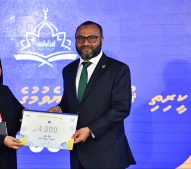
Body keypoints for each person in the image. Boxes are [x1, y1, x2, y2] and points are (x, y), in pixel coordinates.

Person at [48, 21, 136, 169]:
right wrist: (60, 109)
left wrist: (90, 130)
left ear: (102, 39)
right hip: (78, 156)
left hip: (108, 156)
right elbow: (69, 101)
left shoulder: (118, 69)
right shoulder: (69, 70)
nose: (85, 43)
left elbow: (121, 108)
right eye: (80, 38)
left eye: (92, 38)